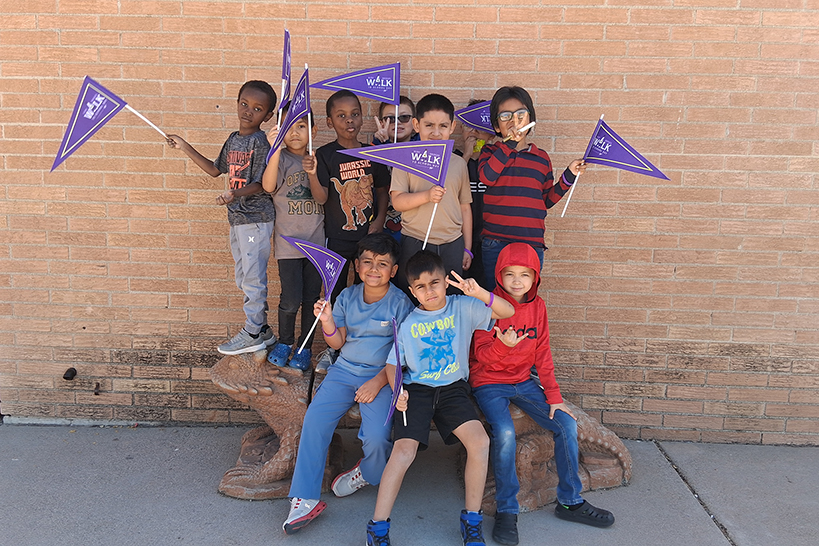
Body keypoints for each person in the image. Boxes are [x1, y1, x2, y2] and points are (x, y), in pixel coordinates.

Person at [366, 250, 515, 546]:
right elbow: (393, 364)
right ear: (412, 291)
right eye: (420, 286)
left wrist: (480, 292)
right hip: (418, 391)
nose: (429, 291)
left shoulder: (462, 307)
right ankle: (377, 527)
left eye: (434, 283)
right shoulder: (408, 324)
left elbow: (507, 311)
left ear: (446, 282)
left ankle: (471, 520)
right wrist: (398, 391)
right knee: (403, 453)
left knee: (480, 442)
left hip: (452, 389)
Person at [469, 243, 614, 545]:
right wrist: (502, 346)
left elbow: (543, 355)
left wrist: (554, 396)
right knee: (505, 432)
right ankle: (507, 509)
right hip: (489, 382)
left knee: (566, 424)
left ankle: (570, 501)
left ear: (535, 277)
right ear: (499, 275)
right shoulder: (486, 305)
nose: (517, 281)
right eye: (510, 274)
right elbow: (481, 357)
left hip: (523, 381)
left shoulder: (539, 307)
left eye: (525, 274)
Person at [283, 233, 414, 535]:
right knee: (315, 419)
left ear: (393, 270)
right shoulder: (347, 296)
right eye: (367, 262)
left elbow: (403, 356)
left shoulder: (401, 304)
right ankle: (304, 497)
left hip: (382, 376)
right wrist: (327, 321)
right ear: (356, 265)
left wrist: (378, 382)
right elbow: (338, 341)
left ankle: (366, 472)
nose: (373, 269)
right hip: (344, 370)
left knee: (378, 440)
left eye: (382, 264)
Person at [166, 80, 278, 355]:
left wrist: (234, 194)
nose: (248, 111)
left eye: (257, 108)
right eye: (244, 104)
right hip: (237, 219)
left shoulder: (262, 142)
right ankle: (262, 328)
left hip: (256, 219)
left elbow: (265, 184)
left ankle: (252, 331)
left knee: (252, 278)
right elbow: (216, 170)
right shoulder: (233, 139)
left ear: (268, 116)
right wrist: (184, 146)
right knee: (243, 277)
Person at [478, 86, 586, 290]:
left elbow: (546, 201)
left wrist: (569, 175)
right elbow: (486, 177)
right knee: (496, 301)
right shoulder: (490, 151)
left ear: (531, 119)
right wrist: (509, 144)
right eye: (505, 116)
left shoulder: (541, 158)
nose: (514, 121)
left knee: (525, 302)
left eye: (521, 114)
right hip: (495, 243)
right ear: (496, 125)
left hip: (531, 244)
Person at [390, 93, 473, 299]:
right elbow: (398, 201)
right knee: (412, 297)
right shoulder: (405, 159)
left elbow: (465, 207)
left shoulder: (458, 164)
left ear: (452, 127)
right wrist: (427, 196)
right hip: (415, 240)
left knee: (451, 298)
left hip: (452, 244)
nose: (436, 132)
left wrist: (468, 248)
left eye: (443, 126)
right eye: (429, 125)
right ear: (417, 125)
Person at [262, 109, 325, 370]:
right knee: (290, 298)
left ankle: (305, 347)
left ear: (314, 131)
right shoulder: (280, 158)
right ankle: (285, 341)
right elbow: (268, 186)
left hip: (316, 245)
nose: (295, 132)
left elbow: (322, 199)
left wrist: (312, 172)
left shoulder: (318, 159)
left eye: (301, 126)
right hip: (288, 244)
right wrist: (273, 149)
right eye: (288, 127)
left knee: (312, 299)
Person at [316, 90, 391, 305]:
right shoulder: (325, 154)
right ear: (330, 122)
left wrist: (379, 220)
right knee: (335, 291)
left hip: (368, 236)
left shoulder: (371, 153)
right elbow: (322, 195)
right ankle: (337, 335)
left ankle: (362, 335)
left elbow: (382, 190)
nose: (349, 119)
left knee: (367, 290)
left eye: (355, 114)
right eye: (341, 115)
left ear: (361, 117)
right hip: (337, 238)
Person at [456, 99, 495, 289]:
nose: (472, 132)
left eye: (478, 127)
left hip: (488, 240)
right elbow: (450, 186)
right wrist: (466, 156)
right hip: (459, 240)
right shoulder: (455, 159)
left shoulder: (496, 164)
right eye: (467, 126)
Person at [371, 95, 420, 243]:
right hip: (382, 228)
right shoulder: (372, 151)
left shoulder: (423, 149)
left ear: (414, 122)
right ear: (381, 123)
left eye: (404, 117)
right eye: (390, 119)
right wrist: (383, 144)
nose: (397, 122)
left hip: (416, 230)